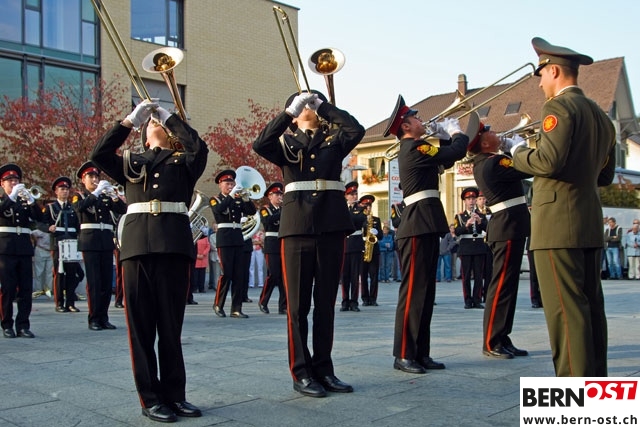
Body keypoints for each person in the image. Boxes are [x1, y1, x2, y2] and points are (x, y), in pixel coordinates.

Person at [91, 99, 207, 421]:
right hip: (137, 248)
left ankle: (175, 395)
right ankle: (151, 398)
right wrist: (128, 121)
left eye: (159, 121)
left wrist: (170, 118)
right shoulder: (130, 161)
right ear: (143, 134)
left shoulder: (184, 161)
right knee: (141, 330)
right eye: (150, 121)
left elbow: (200, 148)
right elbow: (99, 154)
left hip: (173, 247)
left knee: (171, 328)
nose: (154, 122)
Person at [510, 37, 616, 377]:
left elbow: (548, 161)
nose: (540, 83)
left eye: (541, 74)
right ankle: (596, 387)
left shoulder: (558, 108)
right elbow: (605, 176)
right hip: (588, 221)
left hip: (557, 225)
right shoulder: (601, 117)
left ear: (554, 71)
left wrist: (517, 153)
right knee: (591, 309)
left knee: (566, 314)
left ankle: (574, 392)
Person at [253, 89, 364, 397]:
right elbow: (260, 144)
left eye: (311, 102)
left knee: (326, 303)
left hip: (331, 225)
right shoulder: (285, 143)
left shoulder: (335, 140)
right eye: (303, 103)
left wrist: (325, 107)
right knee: (298, 306)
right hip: (297, 227)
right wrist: (288, 112)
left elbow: (356, 130)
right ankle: (301, 372)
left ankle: (324, 369)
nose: (308, 106)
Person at [382, 95, 475, 374]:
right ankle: (403, 354)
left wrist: (444, 137)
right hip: (416, 225)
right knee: (413, 291)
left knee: (425, 292)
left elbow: (445, 161)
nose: (422, 121)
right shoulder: (414, 147)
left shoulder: (419, 149)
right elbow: (454, 153)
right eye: (417, 118)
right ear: (406, 126)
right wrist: (455, 132)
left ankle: (420, 352)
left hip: (426, 223)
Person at [469, 120, 532, 359]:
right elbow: (529, 168)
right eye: (489, 132)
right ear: (485, 143)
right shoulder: (494, 162)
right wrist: (518, 149)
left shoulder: (489, 161)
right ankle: (491, 341)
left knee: (509, 286)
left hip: (510, 227)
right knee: (501, 287)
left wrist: (511, 150)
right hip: (507, 227)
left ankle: (502, 336)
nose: (496, 132)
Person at [75, 161, 127, 330]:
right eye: (90, 177)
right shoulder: (80, 196)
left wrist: (114, 196)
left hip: (105, 241)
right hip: (90, 242)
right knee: (94, 282)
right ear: (83, 180)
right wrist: (96, 193)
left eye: (96, 176)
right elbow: (80, 208)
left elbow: (122, 209)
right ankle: (94, 318)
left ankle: (104, 317)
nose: (94, 179)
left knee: (105, 282)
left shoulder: (105, 197)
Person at [0, 163, 43, 338]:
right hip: (6, 248)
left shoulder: (25, 201)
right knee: (8, 288)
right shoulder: (3, 200)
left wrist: (32, 201)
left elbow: (41, 218)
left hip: (24, 248)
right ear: (2, 184)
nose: (14, 183)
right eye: (9, 180)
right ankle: (7, 324)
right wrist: (11, 197)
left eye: (16, 180)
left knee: (26, 289)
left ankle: (23, 325)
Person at [210, 169, 257, 318]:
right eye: (227, 184)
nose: (230, 186)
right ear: (220, 185)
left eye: (232, 183)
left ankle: (236, 308)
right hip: (224, 239)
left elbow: (251, 211)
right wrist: (231, 196)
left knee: (239, 274)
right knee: (226, 273)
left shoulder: (237, 199)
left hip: (237, 237)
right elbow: (219, 210)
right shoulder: (215, 199)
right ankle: (218, 304)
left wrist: (246, 198)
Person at [44, 176, 82, 314]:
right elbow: (41, 223)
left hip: (71, 243)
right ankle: (59, 303)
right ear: (56, 191)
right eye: (62, 189)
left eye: (66, 189)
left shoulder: (73, 208)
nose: (65, 191)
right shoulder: (50, 208)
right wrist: (48, 228)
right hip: (57, 243)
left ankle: (70, 303)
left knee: (72, 273)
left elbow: (78, 226)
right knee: (59, 273)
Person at [454, 187, 488, 309]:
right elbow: (457, 232)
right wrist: (467, 225)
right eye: (468, 199)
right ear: (465, 201)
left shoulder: (481, 215)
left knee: (479, 276)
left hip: (478, 247)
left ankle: (477, 299)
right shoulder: (459, 216)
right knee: (466, 276)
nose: (471, 201)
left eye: (473, 199)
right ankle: (468, 300)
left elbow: (488, 229)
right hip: (466, 248)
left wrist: (479, 222)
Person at [258, 182, 287, 315]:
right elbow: (267, 221)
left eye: (280, 194)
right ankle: (263, 301)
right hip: (271, 244)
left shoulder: (283, 210)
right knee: (273, 274)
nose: (279, 197)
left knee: (284, 276)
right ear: (270, 196)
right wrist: (283, 211)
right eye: (276, 194)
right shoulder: (265, 209)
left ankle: (283, 305)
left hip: (282, 243)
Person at [341, 181, 366, 312]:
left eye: (355, 194)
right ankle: (345, 301)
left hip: (356, 245)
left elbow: (360, 221)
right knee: (344, 276)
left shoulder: (361, 209)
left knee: (355, 276)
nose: (354, 196)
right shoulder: (341, 208)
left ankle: (354, 302)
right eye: (351, 194)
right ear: (346, 196)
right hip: (344, 245)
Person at [359, 194, 382, 306]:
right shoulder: (359, 219)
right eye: (366, 205)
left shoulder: (376, 219)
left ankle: (373, 298)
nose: (368, 207)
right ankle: (365, 298)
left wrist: (376, 232)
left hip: (374, 250)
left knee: (374, 276)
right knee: (363, 276)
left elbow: (380, 236)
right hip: (362, 250)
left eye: (370, 205)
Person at [31, 227, 53, 299]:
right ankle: (38, 290)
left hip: (50, 251)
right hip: (41, 250)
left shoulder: (54, 230)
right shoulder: (40, 231)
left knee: (49, 272)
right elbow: (31, 234)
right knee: (39, 272)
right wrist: (35, 241)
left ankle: (48, 290)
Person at [190, 233, 210, 301]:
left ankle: (201, 288)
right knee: (195, 275)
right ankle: (195, 288)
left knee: (202, 275)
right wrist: (196, 255)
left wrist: (203, 254)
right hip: (196, 258)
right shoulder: (195, 237)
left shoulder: (205, 238)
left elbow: (208, 246)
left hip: (203, 259)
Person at [207, 224, 219, 290]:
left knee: (222, 273)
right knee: (216, 273)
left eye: (216, 227)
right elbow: (212, 246)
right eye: (214, 227)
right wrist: (220, 249)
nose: (215, 229)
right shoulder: (211, 236)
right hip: (215, 256)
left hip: (222, 256)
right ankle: (217, 286)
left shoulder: (223, 235)